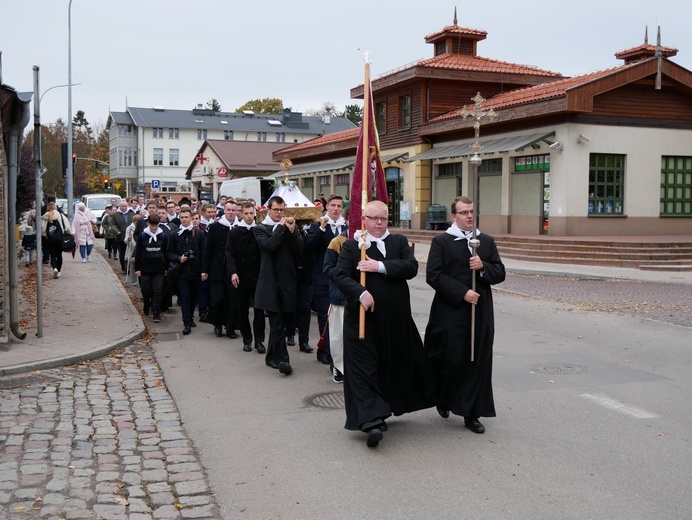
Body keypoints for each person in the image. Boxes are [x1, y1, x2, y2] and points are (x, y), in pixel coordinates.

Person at [333, 200, 435, 447]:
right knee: (364, 368)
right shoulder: (352, 246)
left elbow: (410, 267)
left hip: (395, 319)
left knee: (393, 365)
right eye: (374, 218)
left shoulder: (398, 242)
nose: (379, 223)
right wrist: (360, 293)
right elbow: (340, 275)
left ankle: (386, 408)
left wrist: (378, 266)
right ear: (364, 219)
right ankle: (370, 421)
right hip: (363, 321)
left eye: (383, 219)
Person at [424, 196, 505, 434]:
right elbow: (434, 275)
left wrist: (483, 268)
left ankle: (472, 413)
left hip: (480, 311)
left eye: (471, 212)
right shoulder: (442, 242)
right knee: (452, 358)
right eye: (463, 212)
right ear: (454, 216)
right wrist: (462, 292)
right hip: (450, 311)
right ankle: (444, 397)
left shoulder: (486, 242)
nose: (469, 216)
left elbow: (500, 272)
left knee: (477, 360)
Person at [254, 196, 304, 376]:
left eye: (282, 210)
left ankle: (270, 357)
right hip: (269, 282)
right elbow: (270, 245)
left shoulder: (288, 227)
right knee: (276, 323)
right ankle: (284, 360)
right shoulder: (260, 229)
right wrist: (282, 229)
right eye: (276, 210)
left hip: (286, 282)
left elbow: (299, 249)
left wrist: (293, 232)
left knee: (282, 323)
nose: (280, 213)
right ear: (269, 209)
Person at [306, 194, 347, 365]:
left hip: (341, 280)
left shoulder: (347, 227)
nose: (336, 209)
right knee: (325, 316)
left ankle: (333, 350)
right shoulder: (318, 225)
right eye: (333, 205)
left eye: (339, 206)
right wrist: (322, 228)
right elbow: (309, 248)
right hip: (322, 278)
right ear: (327, 207)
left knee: (338, 318)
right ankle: (326, 351)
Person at [226, 202, 265, 353]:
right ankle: (247, 339)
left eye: (251, 213)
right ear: (240, 214)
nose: (249, 216)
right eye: (246, 213)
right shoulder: (234, 233)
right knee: (242, 310)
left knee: (259, 310)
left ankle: (259, 341)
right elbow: (230, 254)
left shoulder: (259, 230)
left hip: (257, 276)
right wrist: (233, 272)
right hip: (241, 276)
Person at [167, 208, 206, 335]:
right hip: (181, 273)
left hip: (195, 272)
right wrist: (179, 258)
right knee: (185, 297)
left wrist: (203, 270)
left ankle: (191, 318)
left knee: (193, 297)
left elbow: (204, 253)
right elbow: (169, 253)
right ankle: (187, 323)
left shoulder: (199, 234)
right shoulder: (175, 234)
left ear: (191, 218)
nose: (184, 219)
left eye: (186, 217)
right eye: (182, 217)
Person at [201, 201, 236, 340]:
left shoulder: (238, 227)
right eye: (228, 210)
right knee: (217, 299)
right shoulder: (215, 227)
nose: (231, 212)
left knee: (231, 300)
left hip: (233, 269)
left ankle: (230, 327)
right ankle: (218, 324)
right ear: (224, 211)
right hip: (217, 268)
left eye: (233, 210)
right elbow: (208, 249)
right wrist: (205, 269)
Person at [323, 226, 349, 383]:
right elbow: (327, 269)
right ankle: (339, 367)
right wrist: (345, 274)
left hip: (362, 298)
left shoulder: (370, 241)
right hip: (340, 297)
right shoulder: (336, 242)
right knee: (338, 335)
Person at [135, 213, 167, 323]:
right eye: (152, 225)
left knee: (157, 290)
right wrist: (137, 268)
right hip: (145, 268)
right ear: (148, 223)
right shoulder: (143, 235)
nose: (154, 228)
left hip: (159, 268)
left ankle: (156, 310)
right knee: (146, 288)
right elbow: (138, 252)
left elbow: (165, 252)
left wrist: (166, 267)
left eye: (156, 225)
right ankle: (146, 302)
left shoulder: (162, 236)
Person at [41, 202, 71, 279]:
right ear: (55, 207)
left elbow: (42, 229)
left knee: (53, 255)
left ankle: (54, 268)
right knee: (59, 255)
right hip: (59, 238)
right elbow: (67, 227)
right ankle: (59, 271)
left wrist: (45, 235)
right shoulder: (61, 216)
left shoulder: (45, 217)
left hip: (50, 239)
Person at [113, 200, 135, 273]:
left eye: (125, 206)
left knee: (130, 252)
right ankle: (124, 267)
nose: (124, 208)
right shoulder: (116, 214)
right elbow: (113, 224)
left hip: (130, 237)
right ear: (120, 207)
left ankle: (129, 267)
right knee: (122, 253)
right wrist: (117, 231)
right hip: (121, 237)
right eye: (122, 206)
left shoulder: (131, 213)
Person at [125, 214, 141, 285]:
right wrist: (128, 239)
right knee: (132, 265)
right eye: (136, 222)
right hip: (131, 248)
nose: (137, 224)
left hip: (139, 247)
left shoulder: (141, 228)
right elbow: (125, 240)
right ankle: (133, 280)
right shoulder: (129, 228)